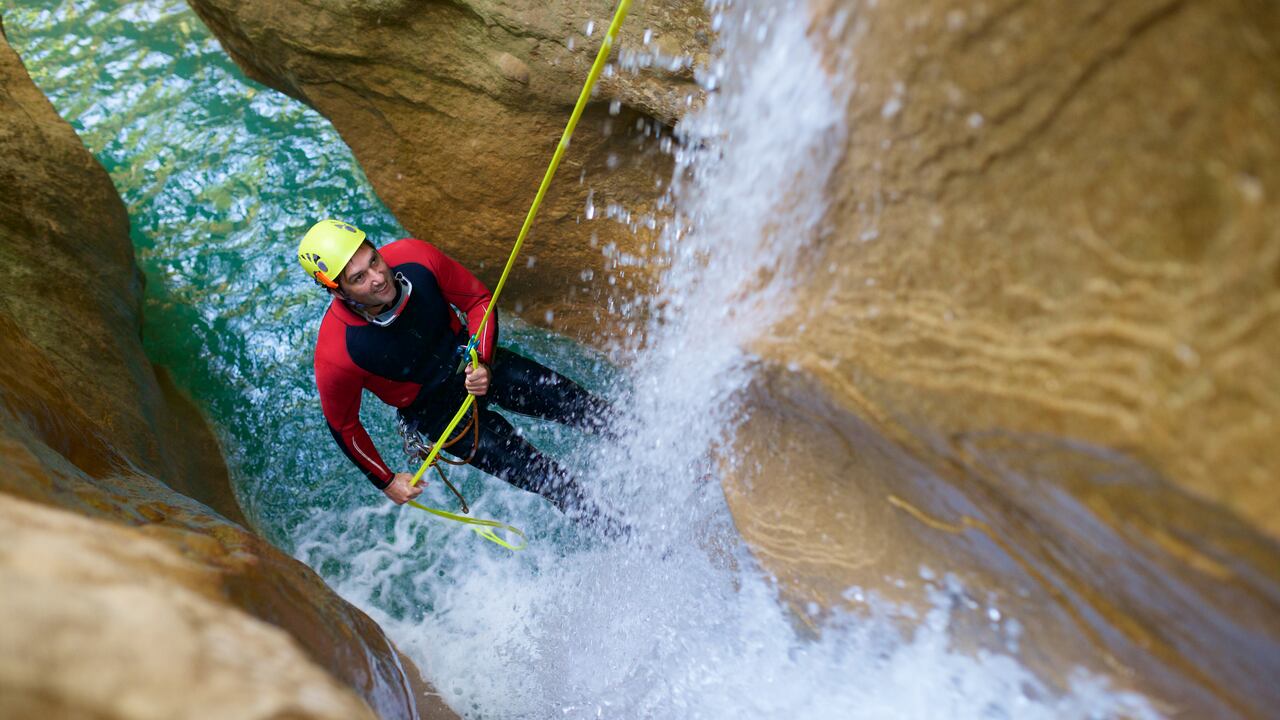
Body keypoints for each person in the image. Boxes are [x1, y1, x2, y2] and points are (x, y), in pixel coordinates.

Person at [297, 218, 614, 527]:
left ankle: (642, 442)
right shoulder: (337, 352)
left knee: (585, 408)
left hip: (472, 359)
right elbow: (344, 425)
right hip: (438, 414)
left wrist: (482, 361)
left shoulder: (416, 258)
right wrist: (386, 480)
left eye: (374, 260)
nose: (378, 277)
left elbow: (478, 301)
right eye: (359, 278)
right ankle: (623, 532)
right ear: (338, 292)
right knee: (546, 479)